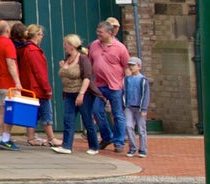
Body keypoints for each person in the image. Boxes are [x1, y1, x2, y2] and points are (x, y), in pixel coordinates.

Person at [88, 19, 132, 156]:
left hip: (115, 86)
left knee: (118, 114)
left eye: (100, 32)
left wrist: (127, 84)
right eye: (97, 31)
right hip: (99, 85)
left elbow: (127, 66)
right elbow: (90, 62)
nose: (98, 34)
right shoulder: (94, 45)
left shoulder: (120, 48)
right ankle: (107, 137)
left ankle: (119, 141)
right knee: (96, 111)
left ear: (109, 33)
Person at [0, 19, 22, 151]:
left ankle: (1, 138)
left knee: (1, 111)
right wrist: (18, 82)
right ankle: (6, 139)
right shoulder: (8, 44)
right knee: (10, 112)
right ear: (7, 31)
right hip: (8, 84)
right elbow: (11, 64)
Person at [18, 24, 54, 146]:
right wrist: (47, 88)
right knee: (46, 113)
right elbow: (39, 72)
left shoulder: (24, 49)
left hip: (29, 86)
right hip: (37, 88)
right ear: (37, 35)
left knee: (31, 113)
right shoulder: (33, 50)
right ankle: (51, 138)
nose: (42, 37)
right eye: (41, 34)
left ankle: (31, 137)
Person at [53, 32, 89, 154]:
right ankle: (67, 146)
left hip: (80, 93)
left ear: (72, 45)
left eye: (65, 44)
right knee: (68, 119)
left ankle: (94, 146)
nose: (64, 46)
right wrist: (63, 66)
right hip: (68, 93)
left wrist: (82, 94)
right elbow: (64, 73)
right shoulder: (66, 59)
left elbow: (87, 77)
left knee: (87, 120)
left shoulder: (82, 58)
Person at [124, 57, 151, 158]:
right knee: (128, 126)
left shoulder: (143, 80)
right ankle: (132, 148)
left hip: (139, 108)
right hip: (129, 107)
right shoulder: (127, 79)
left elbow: (145, 94)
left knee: (141, 129)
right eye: (130, 65)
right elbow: (124, 92)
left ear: (139, 67)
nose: (131, 67)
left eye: (133, 65)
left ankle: (143, 149)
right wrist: (124, 104)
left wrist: (144, 108)